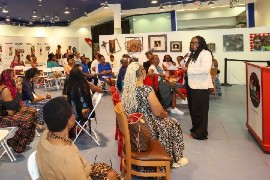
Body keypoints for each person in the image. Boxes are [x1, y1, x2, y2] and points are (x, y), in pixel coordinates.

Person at [36, 97, 123, 180]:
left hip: (64, 174)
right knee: (112, 176)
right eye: (72, 113)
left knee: (106, 169)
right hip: (79, 174)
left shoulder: (46, 134)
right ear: (69, 120)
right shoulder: (68, 158)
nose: (74, 115)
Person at [122, 62, 188, 168]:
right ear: (142, 72)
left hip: (134, 124)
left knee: (168, 122)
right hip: (146, 126)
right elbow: (158, 112)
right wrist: (165, 114)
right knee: (173, 123)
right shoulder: (146, 89)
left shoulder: (127, 90)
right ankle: (174, 159)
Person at [0, 69, 37, 153]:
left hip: (10, 112)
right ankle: (15, 142)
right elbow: (12, 107)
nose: (16, 77)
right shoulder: (4, 89)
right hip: (3, 117)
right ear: (8, 78)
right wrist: (19, 91)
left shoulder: (9, 86)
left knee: (33, 111)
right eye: (13, 76)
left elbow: (14, 106)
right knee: (27, 119)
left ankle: (23, 140)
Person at [183, 36, 213, 140]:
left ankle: (201, 133)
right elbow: (184, 65)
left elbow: (205, 70)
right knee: (193, 110)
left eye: (196, 43)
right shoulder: (192, 54)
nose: (194, 45)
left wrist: (188, 70)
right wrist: (185, 58)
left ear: (201, 43)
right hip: (191, 85)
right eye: (192, 43)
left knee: (200, 111)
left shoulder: (205, 53)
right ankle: (195, 129)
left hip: (200, 86)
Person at [66, 66, 103, 136]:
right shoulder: (86, 84)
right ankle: (78, 127)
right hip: (87, 111)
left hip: (78, 113)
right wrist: (100, 88)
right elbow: (100, 90)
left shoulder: (70, 86)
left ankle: (71, 130)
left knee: (61, 113)